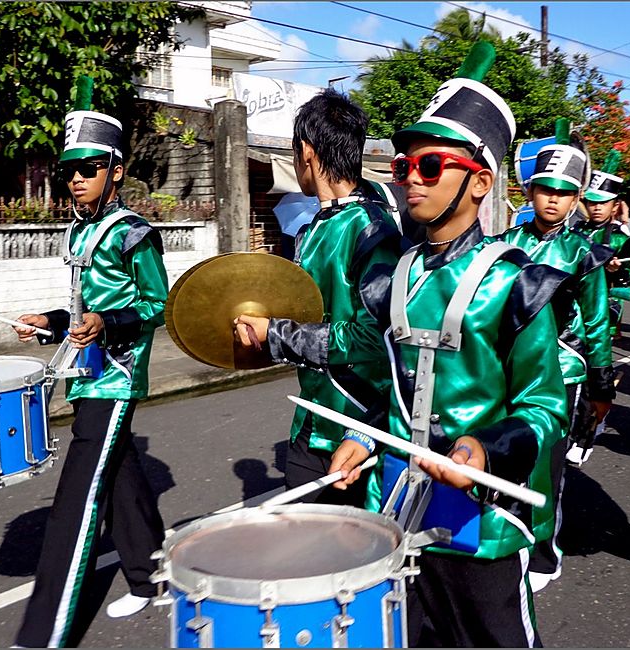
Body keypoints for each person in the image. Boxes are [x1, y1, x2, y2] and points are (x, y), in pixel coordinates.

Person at [331, 42, 570, 647]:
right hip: (399, 504)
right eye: (403, 165)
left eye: (431, 166)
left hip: (481, 521)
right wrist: (361, 440)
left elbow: (543, 409)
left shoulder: (518, 285)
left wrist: (485, 451)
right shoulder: (391, 276)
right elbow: (387, 385)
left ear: (479, 181)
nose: (411, 178)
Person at [12, 76, 168, 647]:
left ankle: (40, 636)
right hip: (87, 372)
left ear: (116, 171)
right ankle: (152, 577)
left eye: (88, 168)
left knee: (75, 504)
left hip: (117, 377)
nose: (75, 179)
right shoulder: (80, 232)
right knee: (120, 473)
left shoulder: (133, 235)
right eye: (69, 170)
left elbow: (156, 304)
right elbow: (85, 305)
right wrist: (51, 321)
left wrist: (109, 324)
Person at [232, 88, 404, 506]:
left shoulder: (372, 228)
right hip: (311, 417)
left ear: (306, 152)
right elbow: (305, 319)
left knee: (348, 558)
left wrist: (276, 332)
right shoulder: (312, 229)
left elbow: (372, 338)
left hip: (359, 425)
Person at [499, 119, 616, 591]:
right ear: (530, 191)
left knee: (547, 465)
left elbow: (597, 321)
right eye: (545, 189)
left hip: (560, 369)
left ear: (576, 199)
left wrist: (601, 383)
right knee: (505, 455)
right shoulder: (505, 241)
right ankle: (510, 537)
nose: (552, 199)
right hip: (505, 366)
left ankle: (545, 552)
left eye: (564, 192)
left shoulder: (584, 253)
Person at [574, 149, 630, 340]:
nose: (597, 208)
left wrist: (617, 272)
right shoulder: (575, 232)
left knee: (600, 348)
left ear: (614, 206)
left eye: (603, 203)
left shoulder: (621, 239)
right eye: (593, 203)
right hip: (574, 300)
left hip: (604, 302)